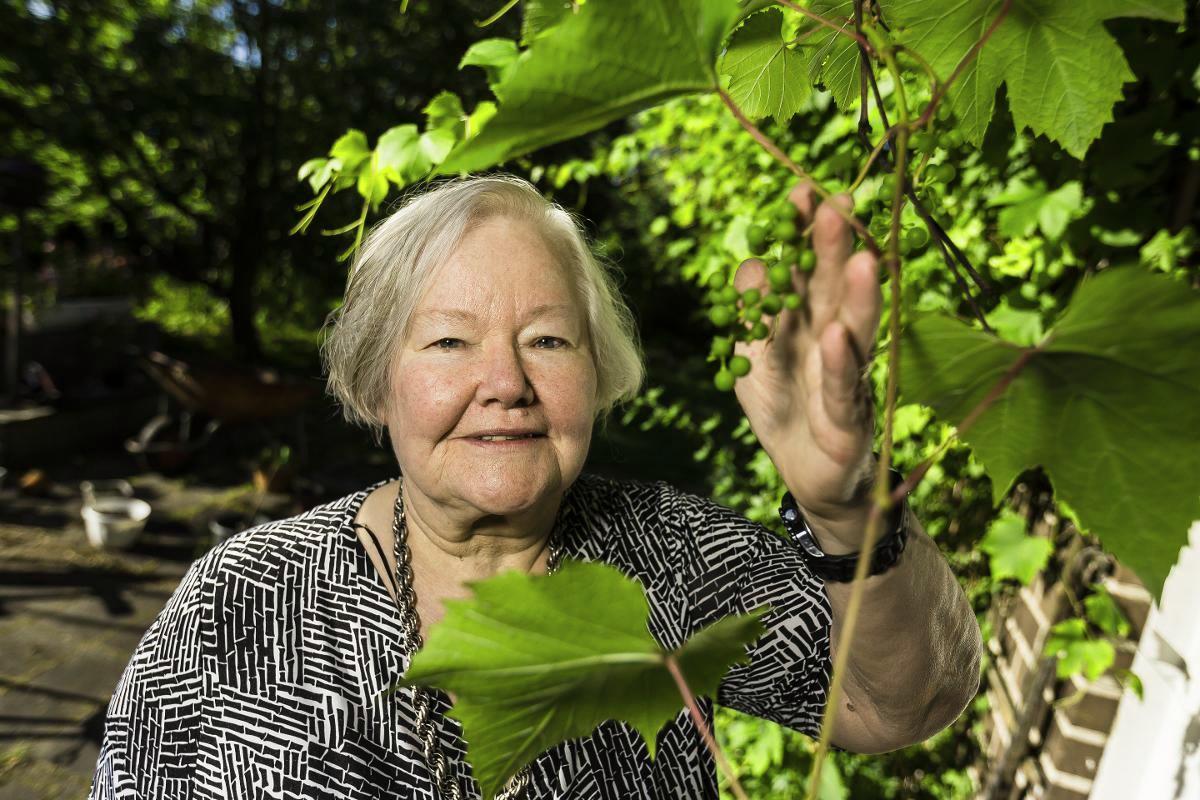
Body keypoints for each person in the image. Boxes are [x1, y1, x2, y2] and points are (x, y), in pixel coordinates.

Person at [90, 174, 981, 799]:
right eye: (448, 341)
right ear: (373, 383)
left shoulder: (668, 555)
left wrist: (848, 507)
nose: (506, 382)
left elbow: (908, 701)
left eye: (548, 341)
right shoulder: (238, 600)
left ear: (595, 377)